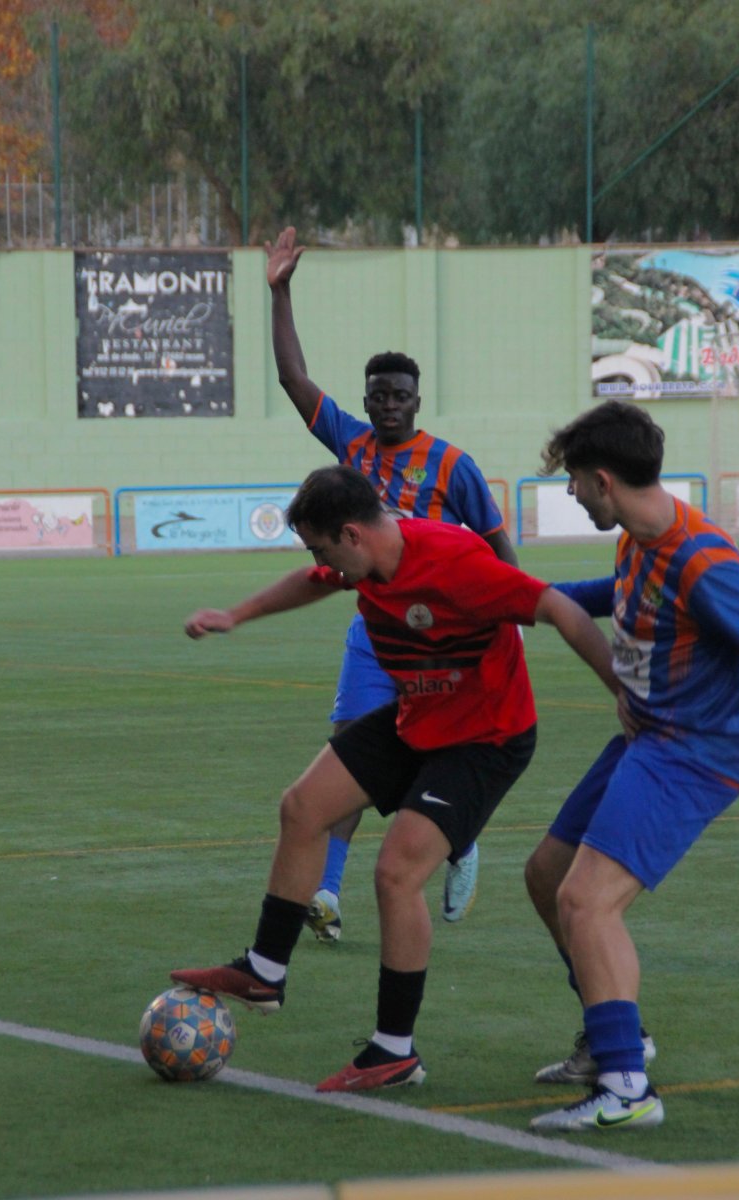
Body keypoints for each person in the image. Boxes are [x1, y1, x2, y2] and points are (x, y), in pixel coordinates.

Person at [172, 464, 619, 1092]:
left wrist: (623, 696)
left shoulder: (456, 560)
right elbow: (312, 580)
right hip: (419, 718)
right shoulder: (366, 559)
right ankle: (264, 972)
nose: (319, 558)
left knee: (396, 872)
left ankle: (393, 1051)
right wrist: (235, 615)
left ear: (352, 534)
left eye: (322, 545)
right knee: (303, 807)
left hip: (486, 739)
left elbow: (559, 608)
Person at [264, 226, 518, 941]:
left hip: (443, 641)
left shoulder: (451, 465)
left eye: (399, 396)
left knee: (431, 756)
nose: (387, 406)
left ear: (416, 398)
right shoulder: (350, 446)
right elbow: (293, 379)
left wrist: (507, 609)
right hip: (374, 631)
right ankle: (329, 894)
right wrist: (280, 293)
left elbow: (497, 544)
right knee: (350, 746)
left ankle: (459, 840)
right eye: (377, 395)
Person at [525, 400, 739, 1133]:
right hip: (645, 740)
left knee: (586, 902)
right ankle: (612, 1042)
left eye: (573, 482)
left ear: (603, 481)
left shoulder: (704, 560)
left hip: (692, 753)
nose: (569, 493)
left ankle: (627, 1089)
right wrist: (529, 599)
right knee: (546, 877)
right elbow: (622, 599)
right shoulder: (638, 536)